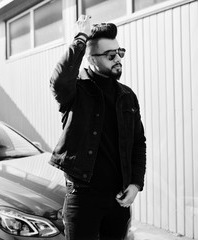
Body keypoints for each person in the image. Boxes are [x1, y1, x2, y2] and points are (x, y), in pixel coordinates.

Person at [49, 15, 146, 240]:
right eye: (111, 55)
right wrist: (80, 38)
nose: (118, 59)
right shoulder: (75, 90)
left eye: (120, 52)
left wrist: (135, 183)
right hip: (83, 198)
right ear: (91, 59)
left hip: (118, 198)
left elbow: (138, 142)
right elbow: (59, 81)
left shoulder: (127, 96)